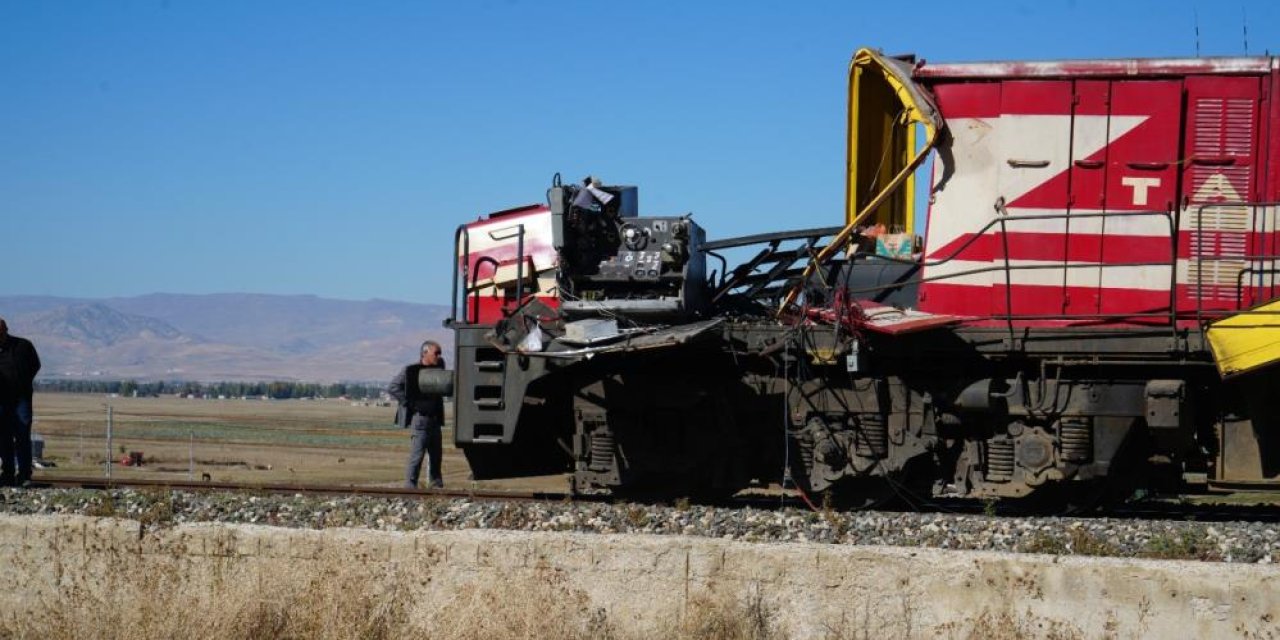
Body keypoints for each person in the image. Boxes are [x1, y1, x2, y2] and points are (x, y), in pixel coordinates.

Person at [388, 340, 445, 489]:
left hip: (435, 420)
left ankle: (436, 488)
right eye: (436, 353)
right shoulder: (411, 370)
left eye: (439, 353)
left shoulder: (438, 368)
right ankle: (410, 489)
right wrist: (410, 403)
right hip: (420, 419)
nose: (438, 356)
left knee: (436, 457)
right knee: (417, 456)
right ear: (424, 353)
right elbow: (393, 387)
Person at [0, 318, 40, 488]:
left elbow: (35, 365)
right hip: (1, 401)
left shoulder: (23, 346)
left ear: (5, 330)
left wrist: (23, 382)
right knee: (4, 437)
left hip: (21, 399)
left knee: (22, 435)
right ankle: (8, 474)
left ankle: (24, 474)